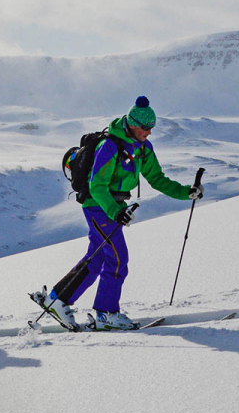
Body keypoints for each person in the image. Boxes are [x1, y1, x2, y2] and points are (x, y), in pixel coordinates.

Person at [32, 96, 203, 330]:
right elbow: (97, 186)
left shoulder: (143, 148)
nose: (149, 132)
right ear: (132, 123)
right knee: (118, 257)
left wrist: (187, 192)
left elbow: (157, 179)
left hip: (114, 208)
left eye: (151, 128)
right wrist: (115, 212)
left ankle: (57, 300)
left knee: (98, 257)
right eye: (145, 128)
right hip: (98, 205)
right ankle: (106, 314)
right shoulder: (109, 146)